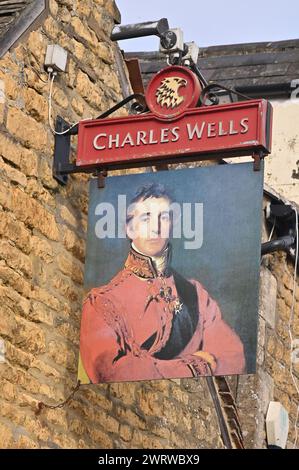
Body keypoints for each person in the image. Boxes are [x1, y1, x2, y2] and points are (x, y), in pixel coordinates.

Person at [79, 183, 245, 383]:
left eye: (163, 218)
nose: (156, 227)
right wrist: (194, 365)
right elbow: (109, 370)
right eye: (146, 217)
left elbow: (232, 356)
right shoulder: (102, 303)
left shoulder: (196, 295)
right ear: (130, 228)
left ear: (171, 226)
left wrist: (153, 367)